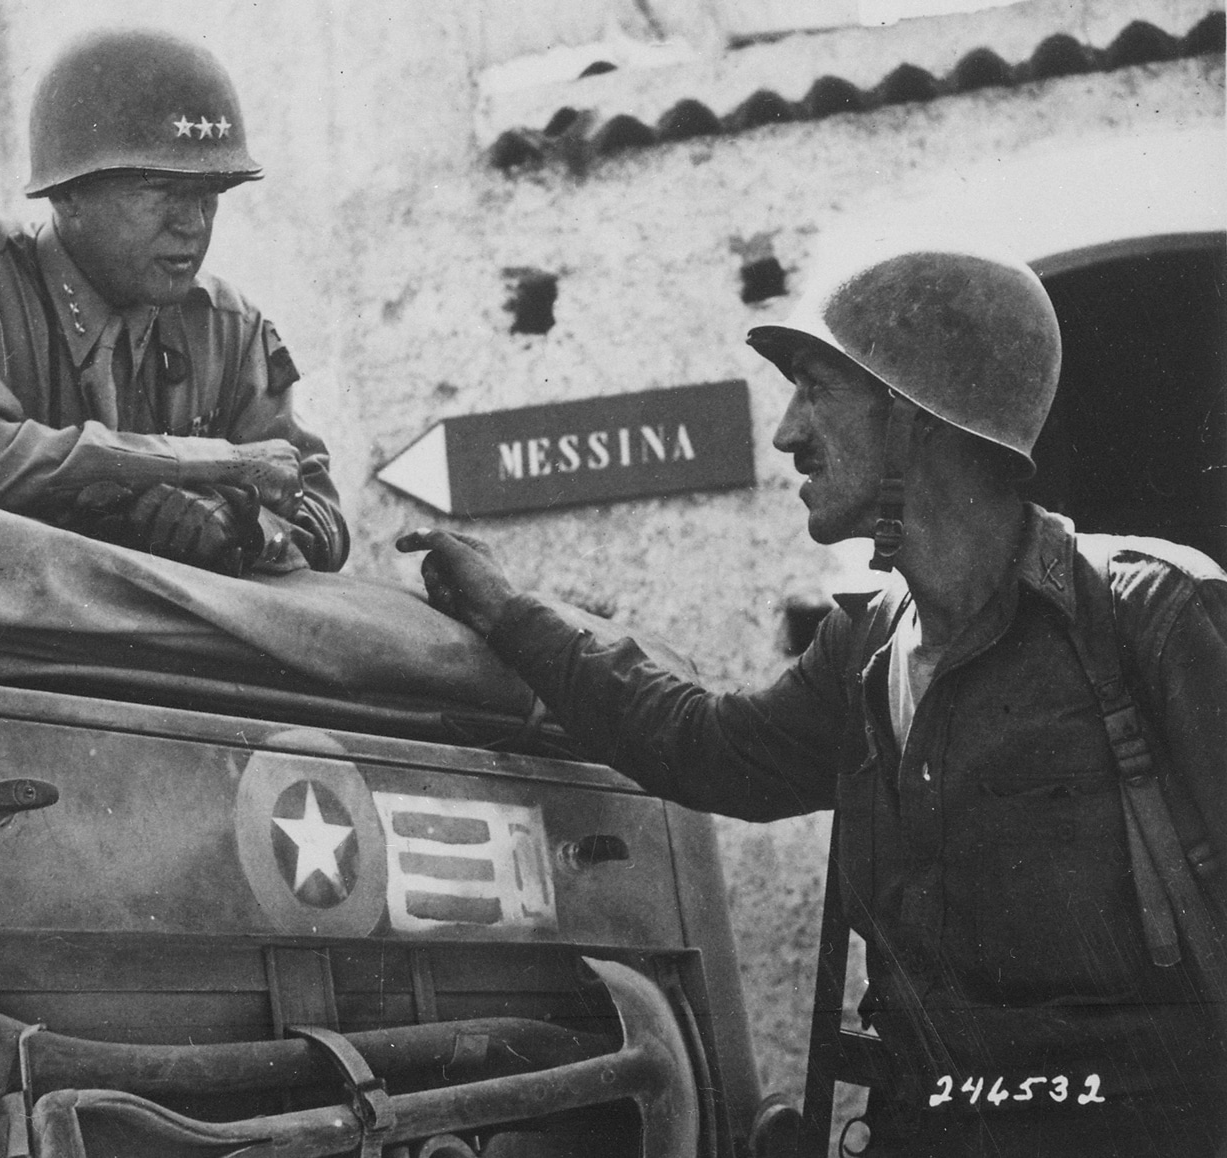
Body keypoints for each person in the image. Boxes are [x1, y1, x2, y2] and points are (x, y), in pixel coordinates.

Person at [398, 242, 1227, 1156]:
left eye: (819, 390)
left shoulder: (1144, 615)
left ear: (916, 419)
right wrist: (512, 617)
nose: (788, 433)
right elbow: (709, 747)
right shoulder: (867, 644)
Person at [0, 27, 348, 577]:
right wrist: (213, 463)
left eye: (208, 197)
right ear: (68, 194)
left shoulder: (227, 327)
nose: (192, 225)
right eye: (160, 191)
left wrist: (239, 522)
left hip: (137, 648)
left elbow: (320, 515)